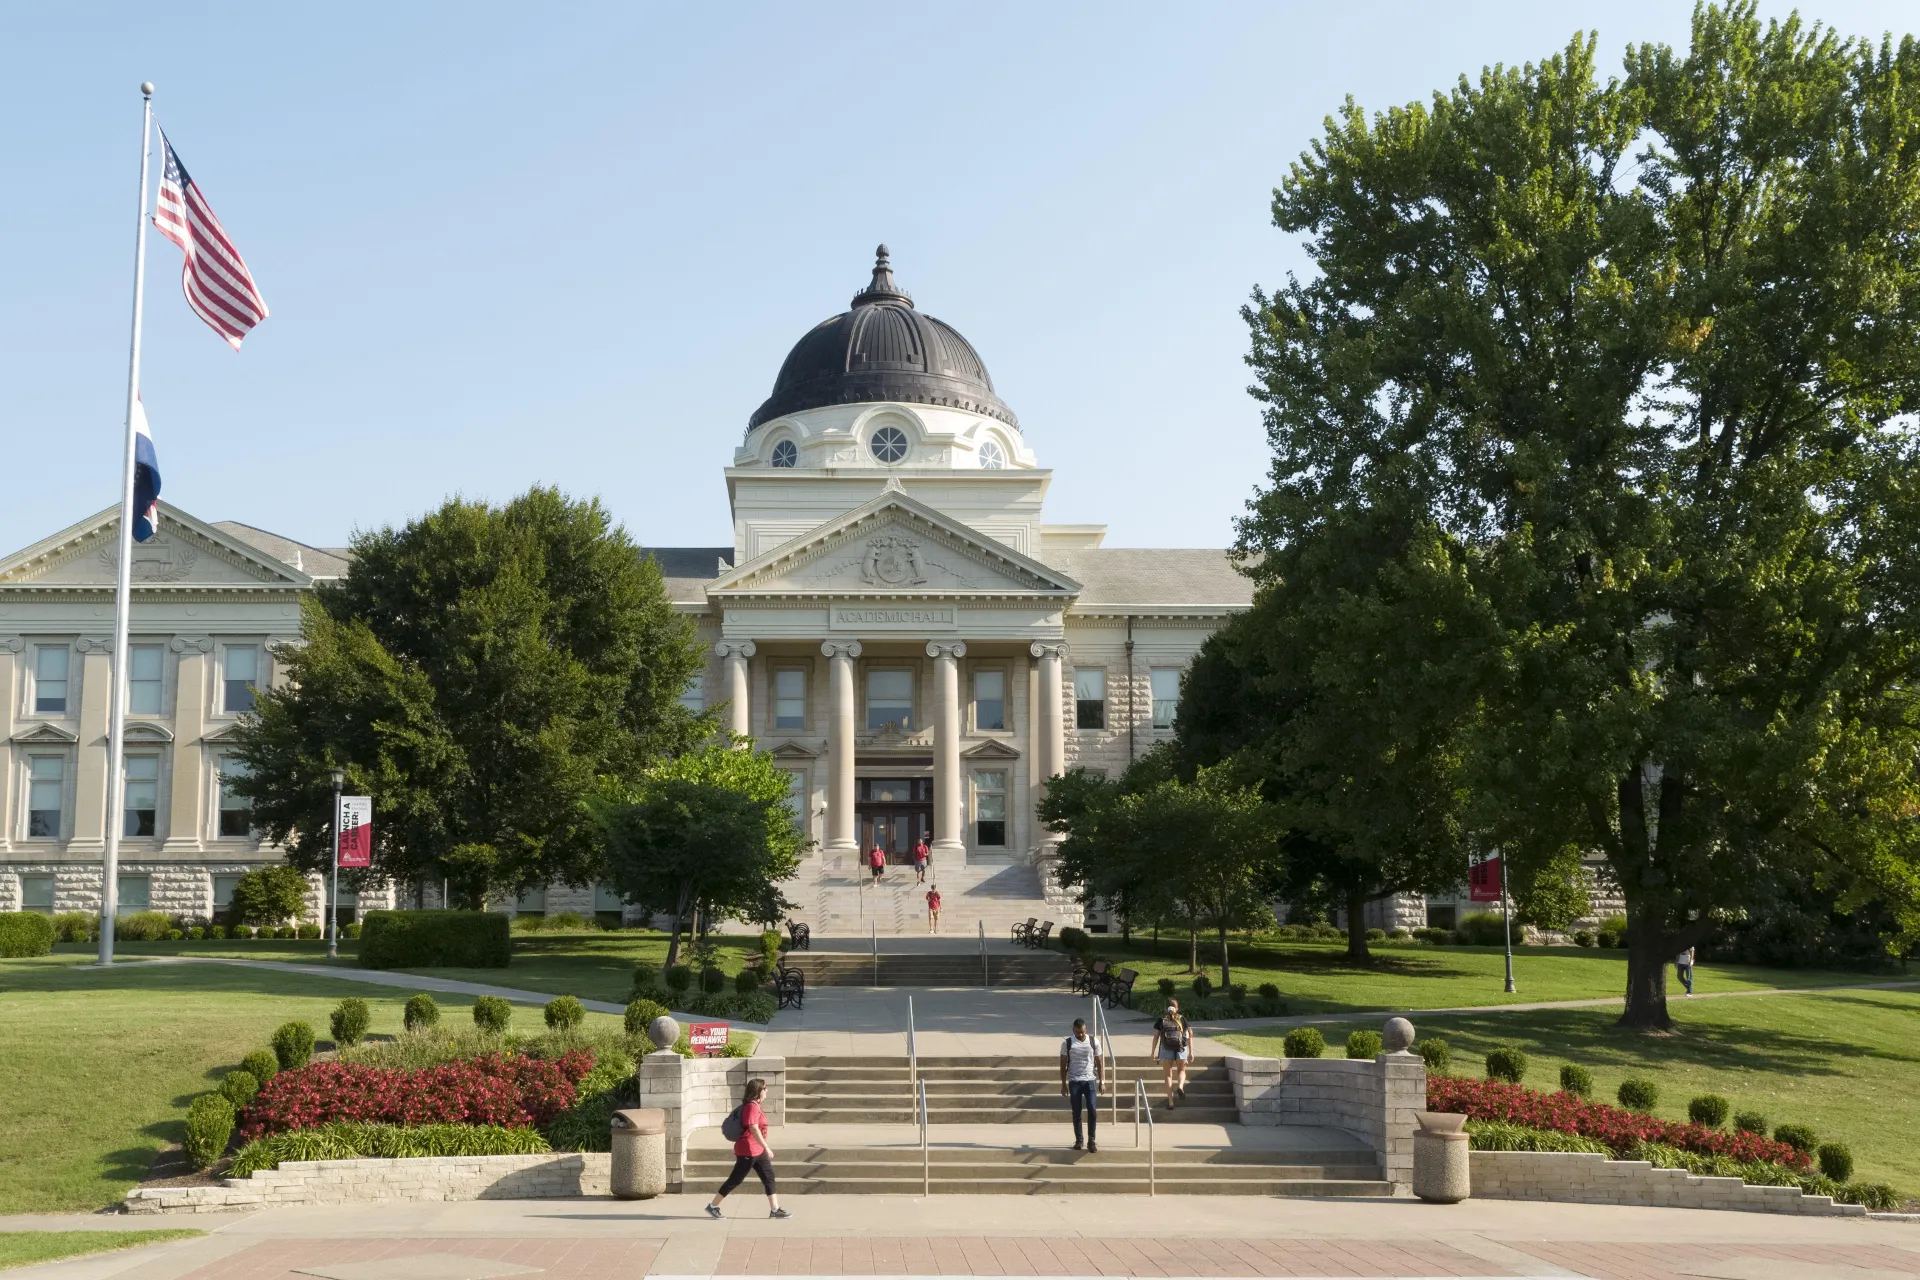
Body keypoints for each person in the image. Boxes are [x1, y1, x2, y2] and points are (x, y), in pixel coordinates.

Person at [707, 1078, 789, 1219]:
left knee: (769, 1177)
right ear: (758, 1091)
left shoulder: (756, 1105)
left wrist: (763, 1147)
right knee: (735, 1179)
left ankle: (775, 1210)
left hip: (757, 1149)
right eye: (765, 1088)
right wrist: (766, 1147)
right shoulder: (751, 1106)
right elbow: (753, 1127)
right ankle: (713, 1206)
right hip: (748, 1149)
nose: (767, 1090)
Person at [1059, 1016, 1102, 1152]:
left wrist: (1102, 1081)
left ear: (1085, 1029)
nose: (1081, 1034)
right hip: (1074, 1081)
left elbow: (1100, 1063)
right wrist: (1063, 1084)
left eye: (1083, 1031)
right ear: (1073, 1030)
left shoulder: (1093, 1041)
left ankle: (1092, 1141)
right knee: (1076, 1111)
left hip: (1090, 1080)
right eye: (1078, 1032)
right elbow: (1062, 1064)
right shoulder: (1067, 1043)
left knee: (1092, 1110)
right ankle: (1079, 1140)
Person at [1149, 997, 1190, 1108]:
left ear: (1165, 1009)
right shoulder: (1182, 1019)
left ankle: (1170, 1102)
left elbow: (1156, 1036)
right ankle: (1180, 1086)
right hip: (1181, 1048)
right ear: (1177, 1008)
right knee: (1181, 1070)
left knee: (1168, 1075)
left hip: (1166, 1048)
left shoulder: (1161, 1020)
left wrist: (1153, 1052)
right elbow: (1189, 1035)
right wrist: (1191, 1052)